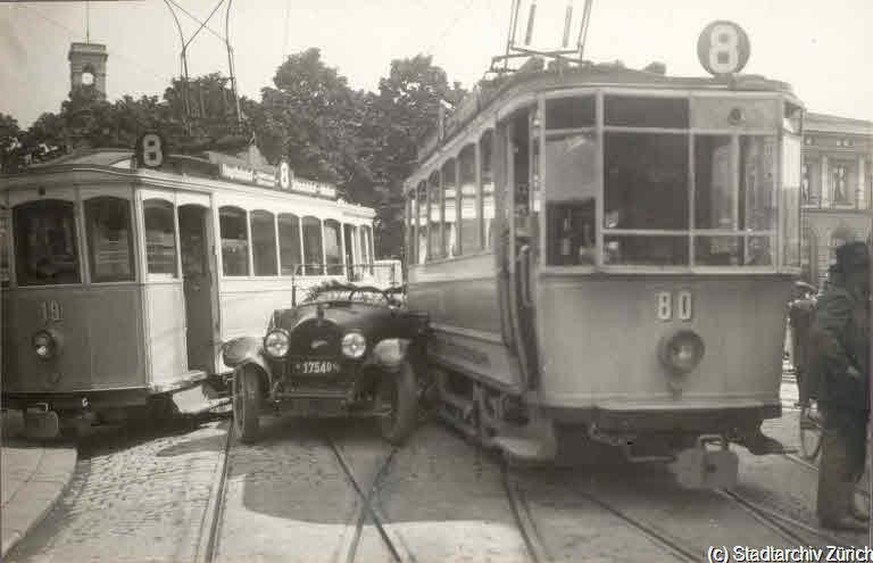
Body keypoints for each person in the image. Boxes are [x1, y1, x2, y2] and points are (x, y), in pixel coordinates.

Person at [812, 241, 871, 531]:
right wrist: (845, 366)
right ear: (855, 272)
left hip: (854, 388)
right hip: (842, 386)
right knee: (840, 447)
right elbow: (822, 335)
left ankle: (845, 503)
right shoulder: (840, 299)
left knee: (853, 446)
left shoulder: (856, 298)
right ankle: (833, 511)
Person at [787, 282, 816, 408]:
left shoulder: (796, 306)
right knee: (809, 372)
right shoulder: (814, 305)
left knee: (800, 372)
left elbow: (792, 328)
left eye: (796, 290)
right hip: (813, 342)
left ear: (801, 291)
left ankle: (802, 399)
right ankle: (807, 398)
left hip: (800, 343)